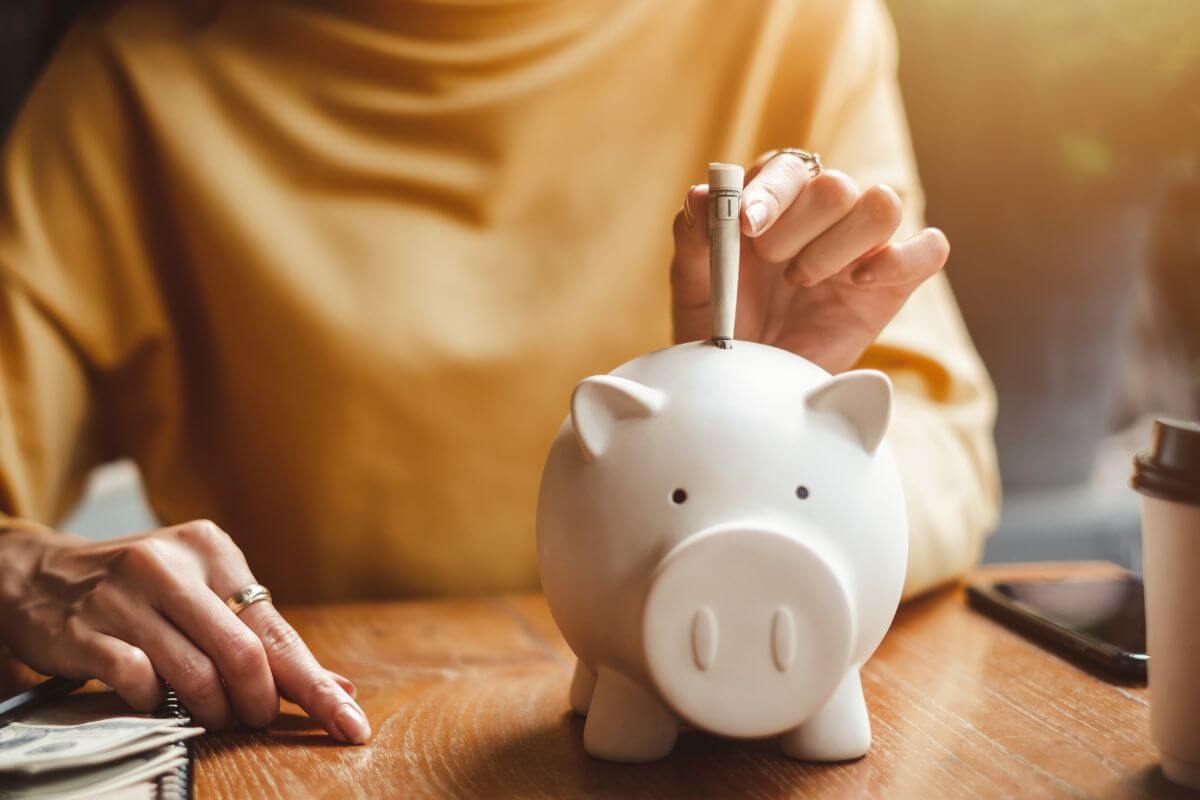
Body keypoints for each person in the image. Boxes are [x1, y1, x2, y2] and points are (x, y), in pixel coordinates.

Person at [0, 0, 999, 744]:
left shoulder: (788, 22)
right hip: (324, 741)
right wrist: (24, 571)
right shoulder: (129, 87)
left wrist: (772, 427)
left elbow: (941, 436)